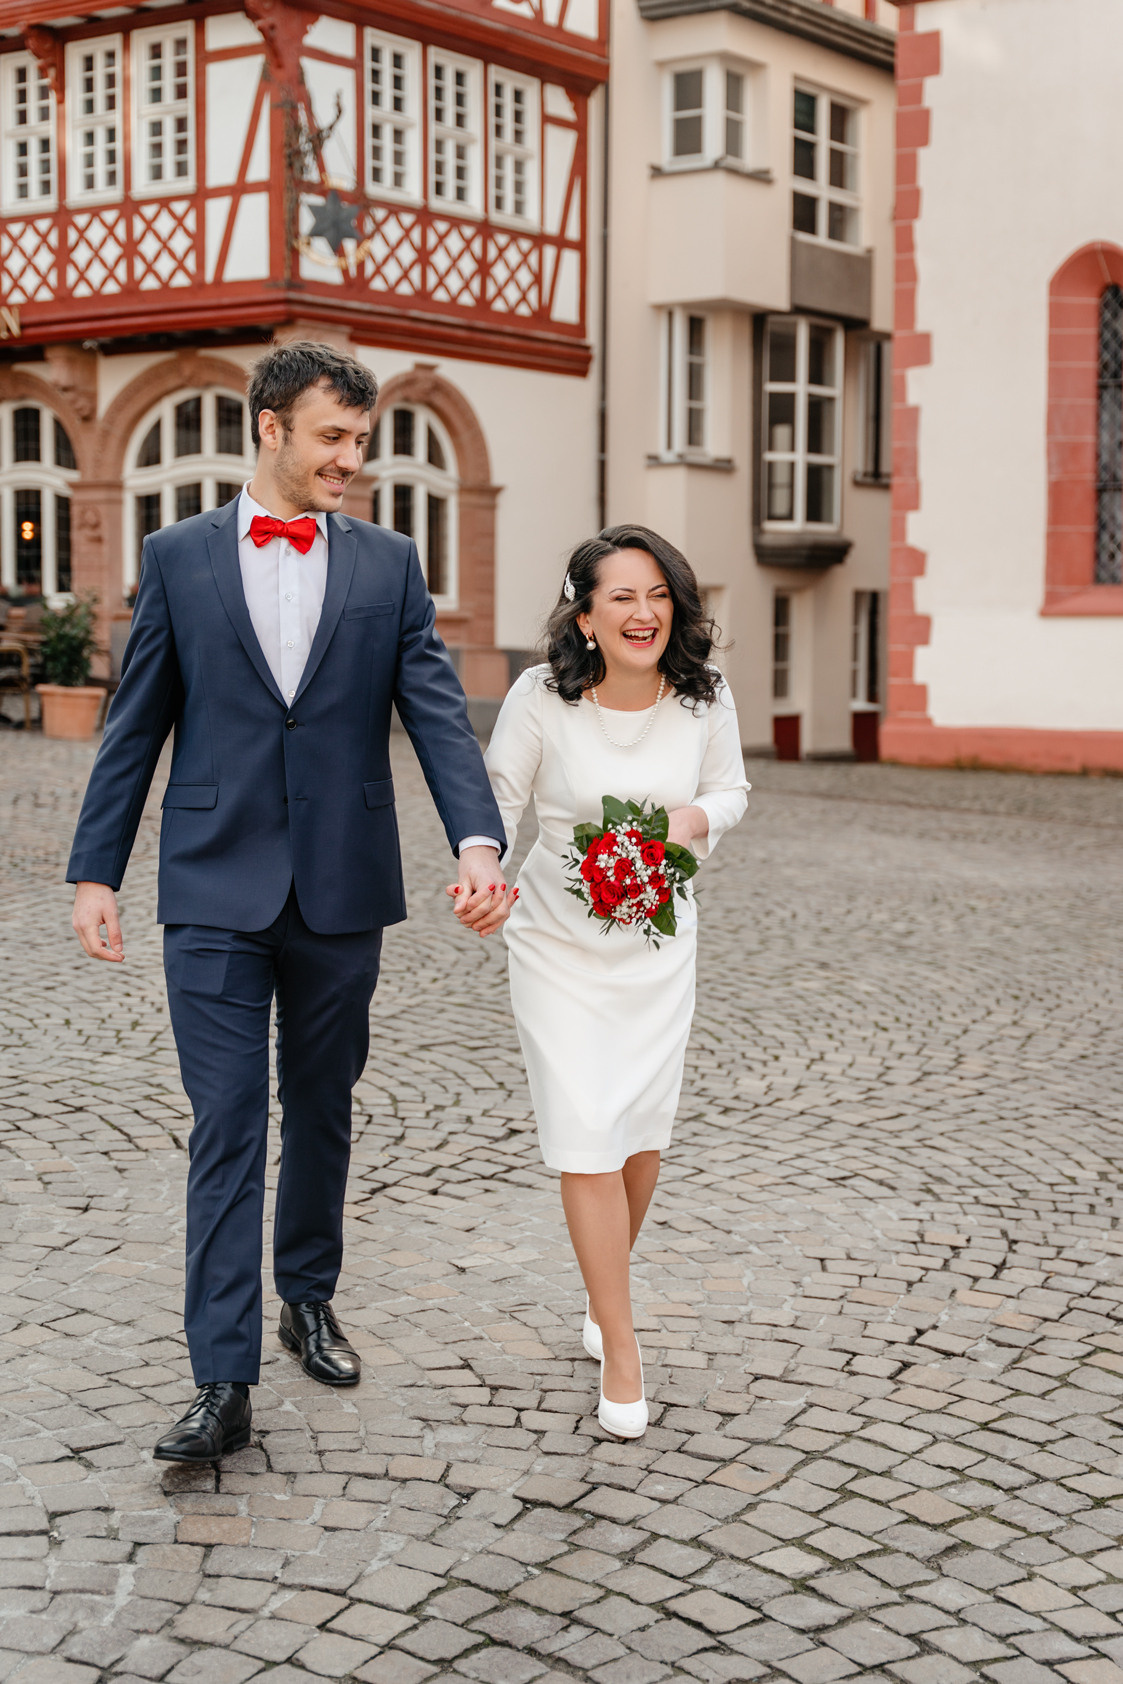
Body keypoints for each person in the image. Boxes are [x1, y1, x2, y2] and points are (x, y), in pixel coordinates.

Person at [67, 341, 509, 1463]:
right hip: (212, 883)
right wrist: (95, 870)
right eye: (332, 437)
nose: (351, 458)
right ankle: (221, 1379)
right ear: (269, 426)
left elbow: (436, 711)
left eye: (361, 439)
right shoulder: (177, 557)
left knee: (320, 1103)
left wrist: (476, 841)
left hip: (342, 884)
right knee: (226, 1121)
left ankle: (308, 1295)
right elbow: (135, 724)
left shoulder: (389, 563)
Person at [467, 525, 749, 1437]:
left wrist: (686, 821)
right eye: (622, 596)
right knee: (585, 1128)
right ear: (584, 616)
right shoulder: (540, 698)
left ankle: (603, 1289)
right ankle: (621, 1347)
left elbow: (732, 791)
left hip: (658, 949)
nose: (643, 612)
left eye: (658, 594)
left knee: (638, 1133)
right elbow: (497, 802)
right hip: (557, 947)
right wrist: (482, 872)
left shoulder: (704, 695)